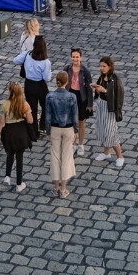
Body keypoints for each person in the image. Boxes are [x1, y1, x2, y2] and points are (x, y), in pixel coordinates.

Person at [44, 71, 78, 199]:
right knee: (67, 157)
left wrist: (48, 131)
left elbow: (47, 116)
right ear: (67, 81)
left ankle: (56, 187)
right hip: (68, 128)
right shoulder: (71, 96)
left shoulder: (50, 96)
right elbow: (75, 116)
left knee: (55, 157)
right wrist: (75, 131)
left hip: (55, 128)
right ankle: (64, 189)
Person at [0, 82, 34, 193]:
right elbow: (30, 120)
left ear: (10, 92)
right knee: (19, 158)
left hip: (9, 132)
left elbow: (1, 122)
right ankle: (19, 184)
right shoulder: (24, 104)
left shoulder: (5, 104)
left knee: (10, 154)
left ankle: (7, 176)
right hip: (20, 132)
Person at [14, 36, 52, 138]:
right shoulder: (45, 61)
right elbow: (47, 77)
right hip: (40, 84)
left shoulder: (27, 54)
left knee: (32, 109)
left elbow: (15, 60)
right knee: (46, 105)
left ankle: (33, 132)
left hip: (29, 84)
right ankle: (43, 125)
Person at [90, 57, 125, 167]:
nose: (102, 68)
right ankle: (106, 152)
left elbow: (118, 96)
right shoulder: (102, 77)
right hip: (101, 106)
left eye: (104, 66)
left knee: (111, 133)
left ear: (109, 67)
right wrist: (96, 88)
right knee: (102, 129)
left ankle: (120, 156)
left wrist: (104, 91)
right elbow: (100, 91)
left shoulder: (115, 80)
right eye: (101, 66)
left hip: (109, 109)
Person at [63, 49, 93, 156]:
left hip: (81, 97)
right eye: (73, 57)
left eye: (77, 57)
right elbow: (63, 84)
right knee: (71, 121)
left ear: (81, 57)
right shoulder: (67, 69)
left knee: (81, 122)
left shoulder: (85, 71)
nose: (75, 59)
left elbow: (89, 89)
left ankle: (81, 144)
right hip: (70, 95)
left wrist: (90, 104)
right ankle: (73, 144)